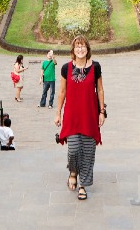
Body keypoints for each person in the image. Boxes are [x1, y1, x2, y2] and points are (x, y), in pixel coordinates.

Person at [55, 35, 105, 201]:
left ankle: (83, 185)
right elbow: (62, 92)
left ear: (88, 49)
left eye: (83, 46)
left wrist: (102, 112)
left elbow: (100, 90)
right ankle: (73, 172)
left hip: (89, 116)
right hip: (72, 116)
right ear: (73, 50)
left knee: (88, 151)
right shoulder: (65, 68)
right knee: (74, 149)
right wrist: (58, 113)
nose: (80, 49)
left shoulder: (95, 67)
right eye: (77, 46)